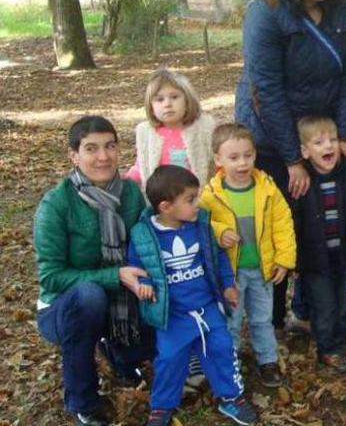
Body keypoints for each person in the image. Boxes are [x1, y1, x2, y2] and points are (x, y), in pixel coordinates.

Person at [235, 0, 346, 329]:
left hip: (321, 137)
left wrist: (342, 136)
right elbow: (266, 90)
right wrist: (292, 157)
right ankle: (268, 322)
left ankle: (309, 313)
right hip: (271, 139)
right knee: (274, 227)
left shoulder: (345, 11)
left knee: (320, 223)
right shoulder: (268, 10)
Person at [34, 116, 155, 426]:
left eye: (110, 146)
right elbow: (51, 277)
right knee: (90, 297)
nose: (103, 157)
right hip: (65, 307)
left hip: (122, 297)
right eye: (91, 149)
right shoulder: (56, 203)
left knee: (156, 294)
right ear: (74, 155)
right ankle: (82, 399)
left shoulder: (130, 193)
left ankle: (123, 356)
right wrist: (113, 276)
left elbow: (147, 244)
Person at [128, 165, 257, 426]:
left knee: (221, 349)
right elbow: (138, 265)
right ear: (166, 207)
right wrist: (143, 284)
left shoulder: (199, 226)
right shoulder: (145, 235)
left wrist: (228, 285)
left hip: (207, 307)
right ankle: (162, 406)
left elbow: (217, 256)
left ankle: (231, 397)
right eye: (190, 200)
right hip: (173, 314)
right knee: (169, 359)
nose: (198, 204)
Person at [199, 124, 296, 388]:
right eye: (233, 157)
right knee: (231, 319)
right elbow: (201, 224)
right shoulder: (211, 195)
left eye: (248, 155)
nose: (242, 163)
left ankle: (267, 360)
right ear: (218, 159)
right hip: (230, 273)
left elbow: (283, 222)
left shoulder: (266, 187)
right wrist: (220, 232)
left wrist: (284, 260)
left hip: (261, 269)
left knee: (262, 318)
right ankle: (229, 362)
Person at [294, 116, 346, 373]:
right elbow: (290, 221)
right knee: (325, 305)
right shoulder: (301, 182)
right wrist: (293, 258)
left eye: (331, 140)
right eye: (319, 142)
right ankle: (328, 348)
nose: (327, 146)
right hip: (314, 259)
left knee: (341, 302)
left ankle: (337, 337)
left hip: (344, 254)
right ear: (305, 151)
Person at [127, 68, 215, 189]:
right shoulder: (148, 134)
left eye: (174, 97)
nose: (167, 104)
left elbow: (216, 161)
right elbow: (141, 166)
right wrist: (125, 180)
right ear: (151, 107)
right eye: (160, 99)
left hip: (197, 199)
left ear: (187, 101)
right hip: (163, 200)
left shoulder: (202, 129)